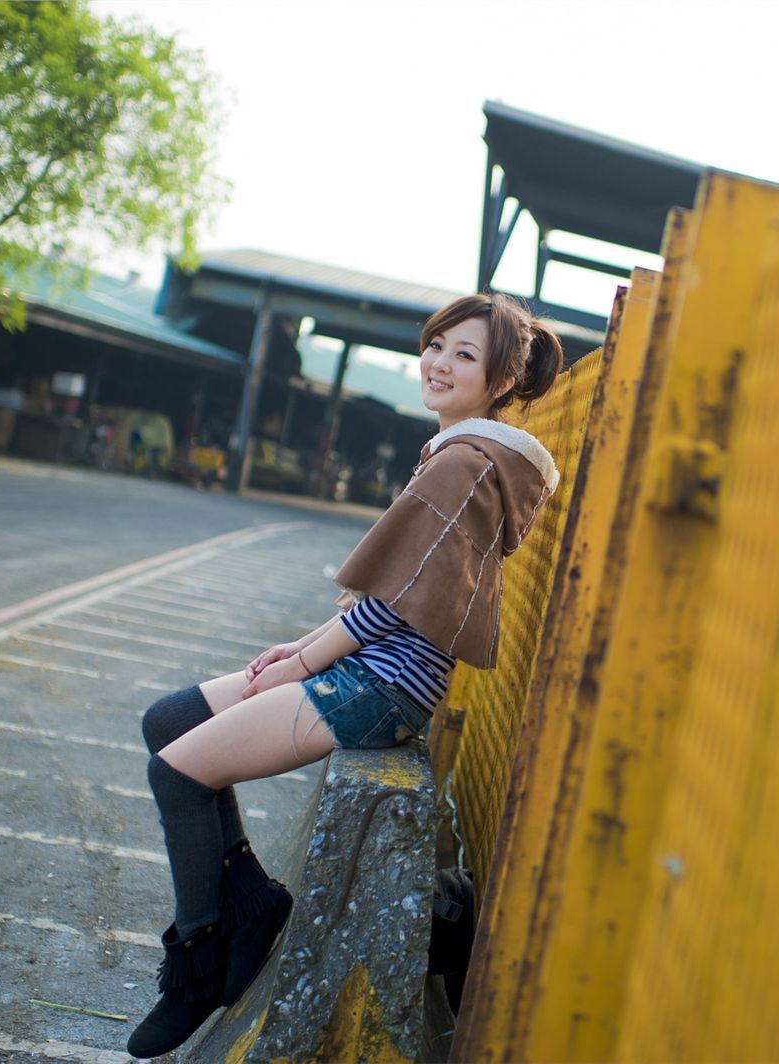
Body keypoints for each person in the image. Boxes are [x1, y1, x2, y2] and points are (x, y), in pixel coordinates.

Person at [126, 292, 564, 1058]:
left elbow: (399, 606)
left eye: (466, 356)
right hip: (367, 665)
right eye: (438, 345)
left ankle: (198, 958)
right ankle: (249, 900)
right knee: (169, 720)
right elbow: (392, 589)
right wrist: (296, 646)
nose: (440, 364)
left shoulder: (466, 463)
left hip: (379, 687)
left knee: (176, 772)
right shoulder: (461, 452)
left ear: (499, 382)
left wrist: (299, 660)